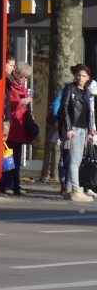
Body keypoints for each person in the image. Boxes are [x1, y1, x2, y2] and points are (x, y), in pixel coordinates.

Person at [58, 63, 95, 202]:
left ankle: (68, 188)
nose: (80, 78)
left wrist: (90, 130)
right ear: (75, 75)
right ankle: (75, 189)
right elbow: (64, 109)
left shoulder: (86, 92)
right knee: (74, 161)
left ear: (88, 78)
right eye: (79, 75)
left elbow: (88, 113)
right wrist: (68, 128)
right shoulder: (70, 88)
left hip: (83, 130)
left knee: (76, 160)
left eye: (84, 76)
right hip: (73, 128)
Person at [1, 60, 32, 195]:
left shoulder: (21, 87)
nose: (25, 79)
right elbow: (7, 103)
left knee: (17, 158)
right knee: (9, 157)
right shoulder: (11, 85)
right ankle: (6, 185)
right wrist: (22, 102)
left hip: (20, 124)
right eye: (24, 76)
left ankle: (16, 185)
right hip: (12, 125)